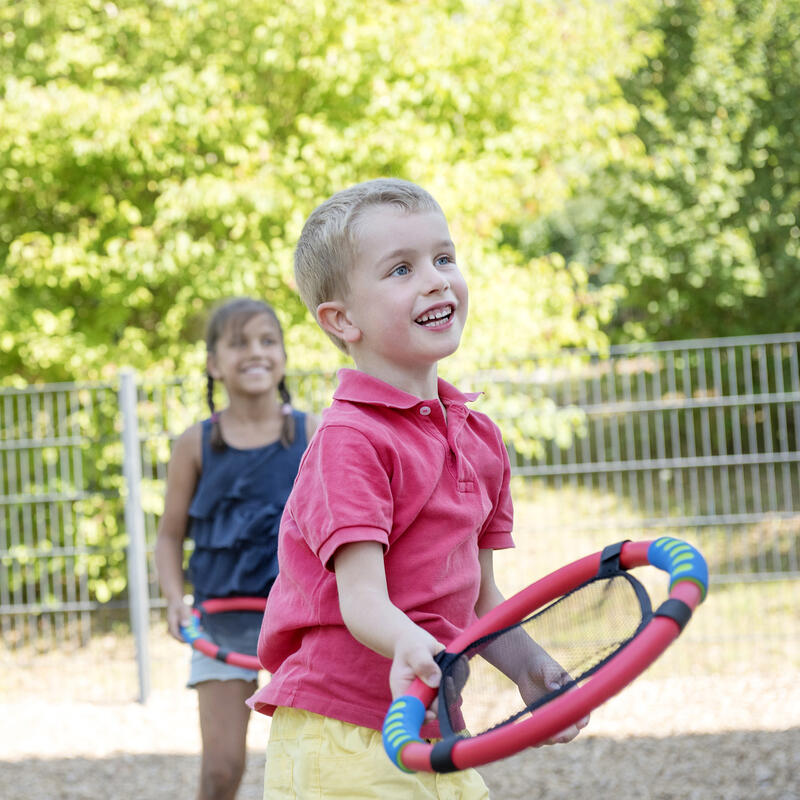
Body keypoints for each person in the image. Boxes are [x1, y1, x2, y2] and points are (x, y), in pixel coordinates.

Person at [248, 179, 586, 798]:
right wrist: (412, 645)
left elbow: (482, 600)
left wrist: (530, 668)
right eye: (401, 269)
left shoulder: (479, 436)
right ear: (341, 319)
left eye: (444, 258)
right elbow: (362, 600)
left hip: (430, 727)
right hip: (342, 734)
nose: (435, 279)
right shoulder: (351, 439)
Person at [155, 297, 318, 800]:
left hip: (301, 628)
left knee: (313, 769)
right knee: (221, 771)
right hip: (222, 623)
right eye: (239, 342)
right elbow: (168, 535)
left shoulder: (314, 433)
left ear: (284, 357)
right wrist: (174, 598)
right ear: (213, 363)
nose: (256, 353)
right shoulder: (194, 444)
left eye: (268, 341)